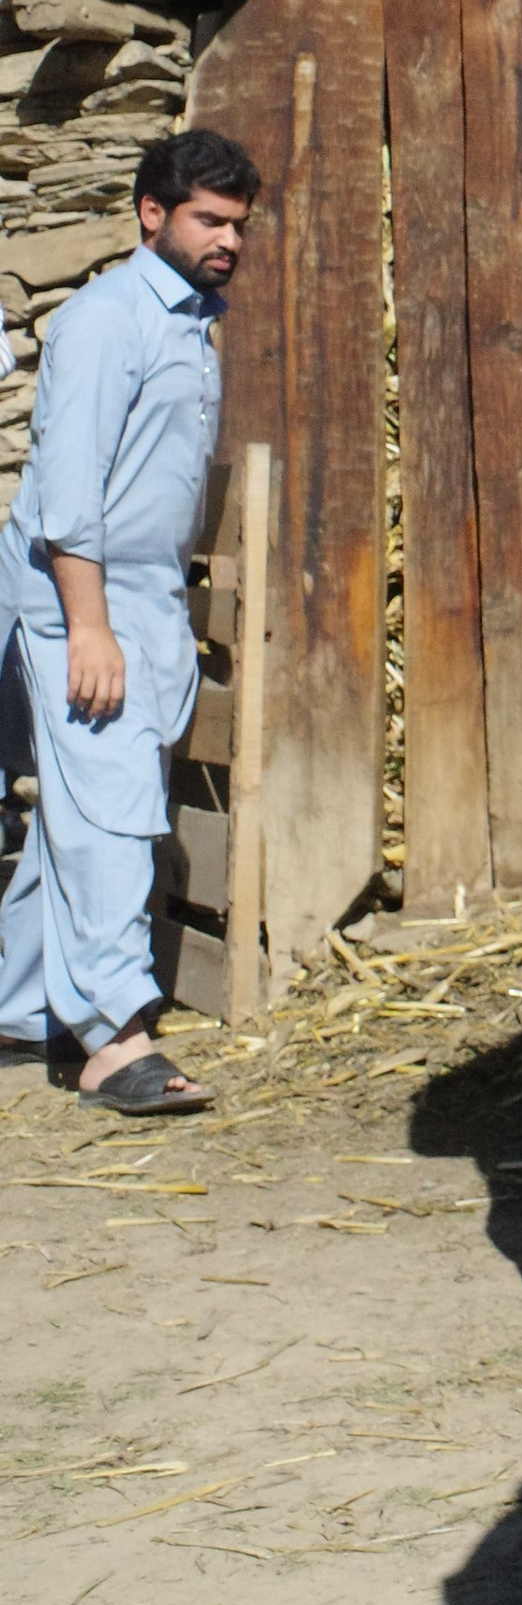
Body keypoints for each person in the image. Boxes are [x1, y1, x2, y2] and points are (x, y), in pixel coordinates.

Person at [0, 130, 259, 1115]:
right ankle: (115, 1038)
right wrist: (88, 626)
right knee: (111, 812)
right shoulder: (107, 320)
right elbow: (66, 492)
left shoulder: (187, 322)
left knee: (81, 807)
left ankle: (24, 1008)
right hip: (85, 598)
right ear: (152, 214)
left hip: (140, 597)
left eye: (237, 223)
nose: (227, 238)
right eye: (208, 218)